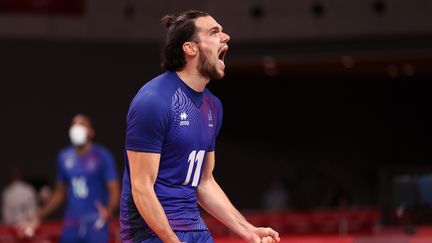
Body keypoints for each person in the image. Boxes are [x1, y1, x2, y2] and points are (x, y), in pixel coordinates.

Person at [120, 10, 280, 243]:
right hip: (151, 233)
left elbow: (204, 182)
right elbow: (142, 188)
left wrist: (248, 230)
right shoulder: (154, 101)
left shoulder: (213, 106)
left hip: (194, 228)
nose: (225, 37)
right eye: (214, 32)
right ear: (190, 48)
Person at [18, 114, 120, 243]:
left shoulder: (103, 156)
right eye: (74, 124)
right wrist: (39, 214)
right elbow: (59, 193)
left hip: (95, 221)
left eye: (82, 124)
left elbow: (114, 189)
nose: (76, 128)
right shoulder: (63, 157)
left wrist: (109, 209)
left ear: (91, 131)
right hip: (71, 221)